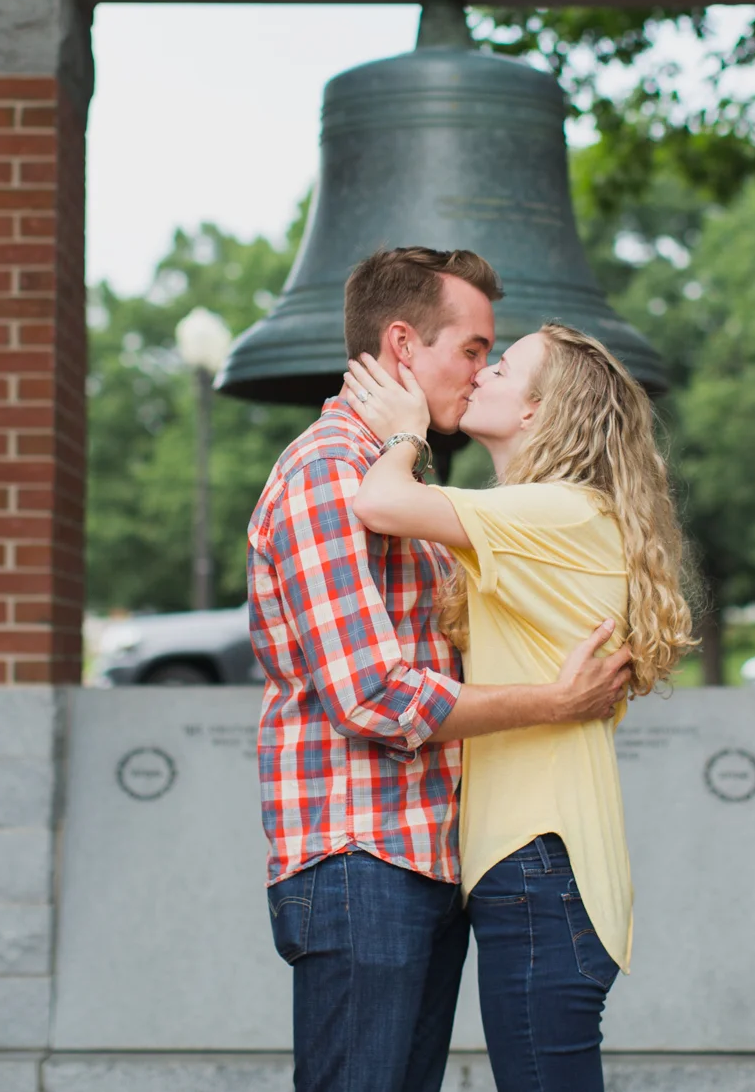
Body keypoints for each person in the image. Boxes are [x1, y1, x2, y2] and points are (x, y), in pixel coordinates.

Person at [248, 248, 635, 1092]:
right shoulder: (328, 473)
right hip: (360, 857)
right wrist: (555, 699)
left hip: (425, 860)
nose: (478, 370)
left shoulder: (401, 477)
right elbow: (372, 692)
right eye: (471, 349)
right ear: (401, 346)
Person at [342, 323, 693, 1092]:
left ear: (539, 409)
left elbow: (380, 501)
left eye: (500, 367)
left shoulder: (559, 510)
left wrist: (404, 432)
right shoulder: (547, 517)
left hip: (541, 861)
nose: (481, 375)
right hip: (537, 864)